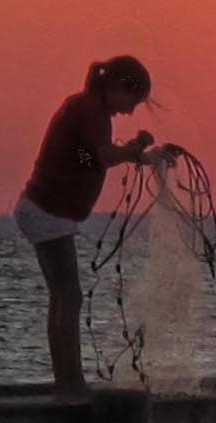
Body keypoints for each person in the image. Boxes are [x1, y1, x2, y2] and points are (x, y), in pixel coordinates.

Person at [15, 56, 156, 392]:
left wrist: (134, 150)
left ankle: (66, 379)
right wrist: (134, 152)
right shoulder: (89, 109)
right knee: (69, 297)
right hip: (47, 211)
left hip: (44, 211)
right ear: (118, 87)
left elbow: (86, 156)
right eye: (131, 101)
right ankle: (71, 383)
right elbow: (102, 156)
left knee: (62, 298)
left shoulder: (86, 109)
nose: (129, 111)